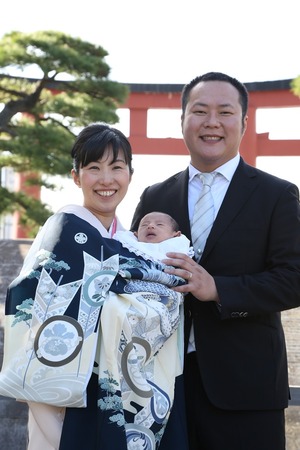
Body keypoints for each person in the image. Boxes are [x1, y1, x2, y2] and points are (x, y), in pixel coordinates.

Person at [131, 71, 300, 450]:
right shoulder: (154, 196)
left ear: (243, 123)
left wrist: (219, 289)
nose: (211, 122)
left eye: (224, 112)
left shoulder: (277, 195)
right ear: (183, 121)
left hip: (246, 389)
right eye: (200, 111)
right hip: (158, 385)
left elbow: (294, 277)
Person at [0, 123, 189, 450]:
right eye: (93, 168)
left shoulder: (130, 242)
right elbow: (26, 298)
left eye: (117, 168)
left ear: (130, 174)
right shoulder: (66, 227)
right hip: (65, 401)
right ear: (76, 176)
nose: (106, 179)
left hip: (127, 393)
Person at [114, 211, 194, 262]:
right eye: (144, 225)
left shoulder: (180, 250)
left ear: (176, 234)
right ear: (136, 234)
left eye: (159, 224)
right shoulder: (128, 246)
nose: (150, 226)